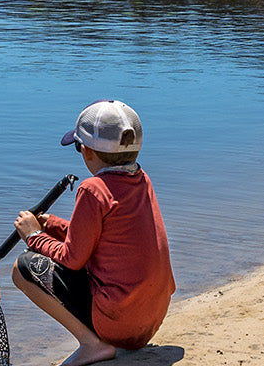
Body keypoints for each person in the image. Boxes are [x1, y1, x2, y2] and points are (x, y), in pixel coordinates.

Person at [12, 99, 175, 366]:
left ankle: (93, 345)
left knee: (24, 267)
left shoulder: (92, 188)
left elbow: (73, 257)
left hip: (120, 326)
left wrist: (34, 237)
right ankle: (100, 338)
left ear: (86, 151)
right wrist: (51, 224)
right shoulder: (141, 179)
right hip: (149, 320)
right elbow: (104, 238)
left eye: (78, 147)